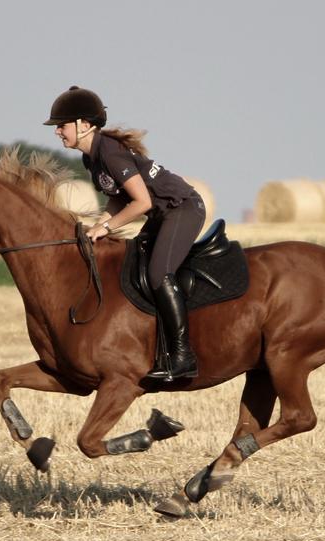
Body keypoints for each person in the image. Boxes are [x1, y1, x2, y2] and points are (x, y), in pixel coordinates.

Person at [44, 86, 205, 381]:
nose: (57, 132)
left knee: (158, 274)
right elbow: (118, 197)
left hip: (182, 209)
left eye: (62, 126)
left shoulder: (110, 152)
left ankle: (183, 357)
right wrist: (99, 224)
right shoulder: (91, 157)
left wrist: (106, 226)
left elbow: (141, 202)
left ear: (84, 125)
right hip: (160, 215)